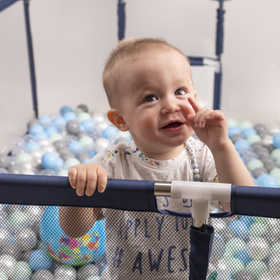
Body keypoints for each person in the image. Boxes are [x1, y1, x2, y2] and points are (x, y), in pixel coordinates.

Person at [59, 38, 254, 279]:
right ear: (121, 120)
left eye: (180, 92)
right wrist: (79, 189)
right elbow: (74, 230)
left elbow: (241, 205)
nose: (171, 105)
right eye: (150, 98)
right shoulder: (111, 162)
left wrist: (222, 146)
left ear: (195, 97)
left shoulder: (201, 155)